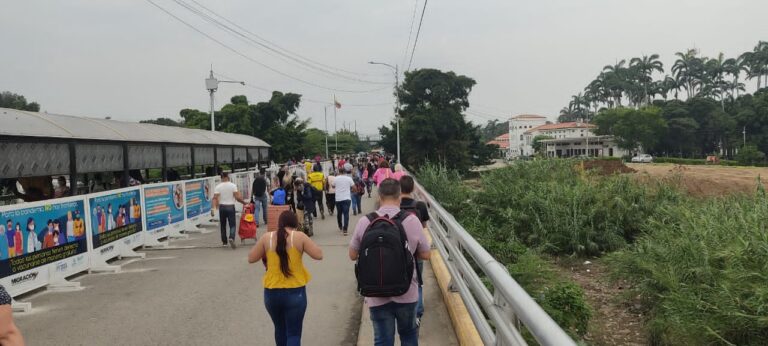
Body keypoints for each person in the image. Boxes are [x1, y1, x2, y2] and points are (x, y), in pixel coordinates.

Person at [349, 178, 431, 346]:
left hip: (376, 294)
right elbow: (426, 254)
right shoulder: (412, 220)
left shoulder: (366, 221)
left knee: (382, 340)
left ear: (379, 196)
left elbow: (352, 255)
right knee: (408, 336)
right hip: (407, 292)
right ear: (400, 195)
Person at [248, 211, 323, 346]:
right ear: (295, 223)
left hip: (271, 292)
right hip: (295, 292)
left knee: (280, 329)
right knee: (293, 333)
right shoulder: (299, 237)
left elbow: (251, 258)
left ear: (279, 224)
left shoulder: (267, 238)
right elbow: (319, 255)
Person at [400, 176, 431, 321]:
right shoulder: (420, 206)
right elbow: (424, 226)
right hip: (416, 251)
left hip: (398, 250)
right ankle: (417, 313)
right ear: (413, 188)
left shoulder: (394, 205)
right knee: (417, 280)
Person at [213, 172, 248, 249]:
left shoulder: (218, 186)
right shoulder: (233, 186)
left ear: (221, 177)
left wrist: (213, 208)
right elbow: (237, 198)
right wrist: (244, 203)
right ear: (228, 177)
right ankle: (231, 237)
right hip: (230, 207)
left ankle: (224, 242)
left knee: (223, 225)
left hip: (222, 207)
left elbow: (215, 198)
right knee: (232, 224)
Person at [332, 164, 355, 235]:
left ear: (339, 172)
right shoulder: (349, 178)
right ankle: (345, 230)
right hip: (347, 198)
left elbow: (333, 186)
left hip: (338, 199)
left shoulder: (336, 178)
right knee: (346, 214)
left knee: (339, 213)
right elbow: (354, 187)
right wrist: (350, 190)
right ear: (345, 172)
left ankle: (340, 226)